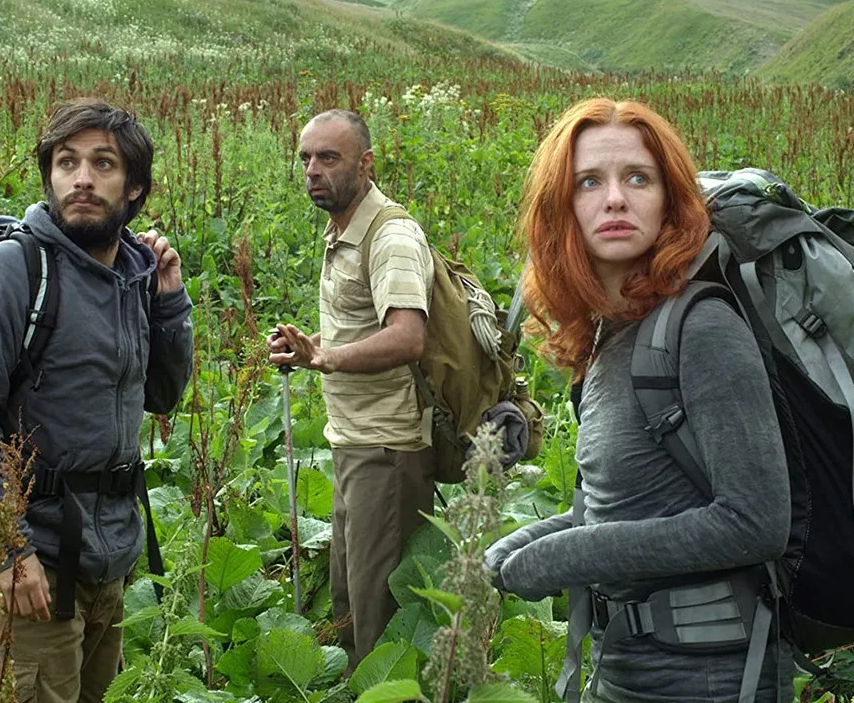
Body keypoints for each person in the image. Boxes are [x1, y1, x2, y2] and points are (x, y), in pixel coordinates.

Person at [484, 97, 794, 702]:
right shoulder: (609, 334)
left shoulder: (702, 328)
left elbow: (755, 523)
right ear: (560, 208)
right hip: (625, 664)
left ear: (670, 201)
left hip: (709, 677)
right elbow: (629, 508)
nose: (615, 199)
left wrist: (567, 556)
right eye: (588, 182)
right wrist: (529, 542)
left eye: (638, 178)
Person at [0, 98, 194, 702]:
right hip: (35, 562)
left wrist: (169, 301)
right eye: (66, 162)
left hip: (110, 557)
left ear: (134, 187)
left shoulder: (133, 274)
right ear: (50, 176)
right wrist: (7, 549)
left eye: (103, 164)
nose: (82, 179)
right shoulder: (10, 270)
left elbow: (162, 395)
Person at [267, 109, 437, 668]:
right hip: (352, 442)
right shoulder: (342, 229)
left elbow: (408, 337)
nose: (312, 171)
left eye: (328, 158)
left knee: (376, 615)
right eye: (305, 159)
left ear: (365, 164)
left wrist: (326, 358)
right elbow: (360, 326)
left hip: (387, 449)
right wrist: (309, 346)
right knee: (346, 603)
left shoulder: (391, 236)